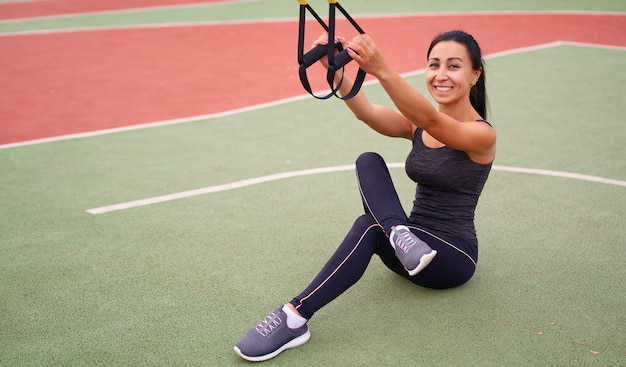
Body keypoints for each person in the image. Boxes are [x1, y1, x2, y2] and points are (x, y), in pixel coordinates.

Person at [233, 29, 496, 362]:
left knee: (369, 226)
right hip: (409, 252)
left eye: (453, 66)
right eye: (434, 65)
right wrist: (337, 72)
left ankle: (295, 316)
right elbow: (367, 112)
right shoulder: (417, 127)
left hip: (452, 257)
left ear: (475, 74)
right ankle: (399, 233)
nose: (441, 74)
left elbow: (430, 118)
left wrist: (382, 68)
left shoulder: (481, 135)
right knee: (368, 160)